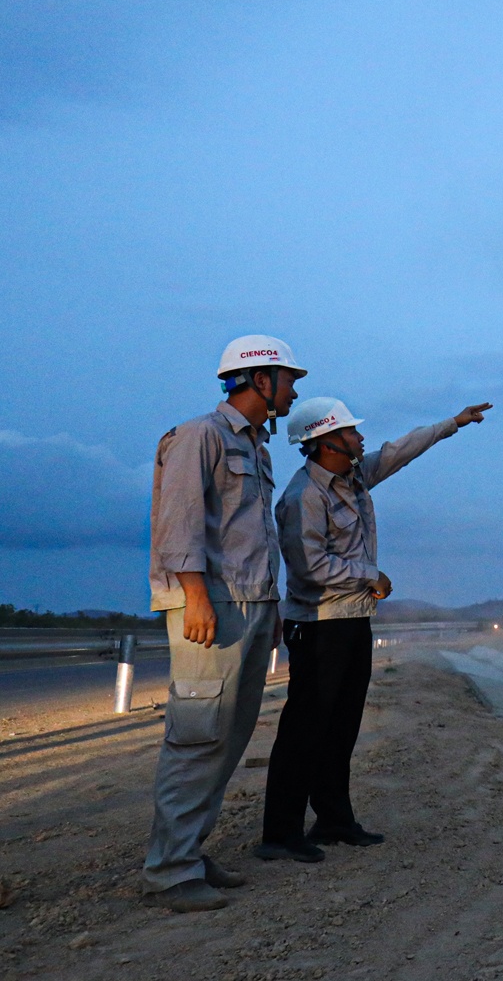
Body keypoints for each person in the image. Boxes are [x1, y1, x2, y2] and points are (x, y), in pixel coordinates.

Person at [257, 396, 492, 860]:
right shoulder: (303, 496)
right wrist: (369, 575)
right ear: (326, 443)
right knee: (305, 729)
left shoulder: (355, 476)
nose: (361, 438)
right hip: (319, 626)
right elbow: (307, 566)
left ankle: (334, 821)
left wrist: (453, 422)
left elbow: (399, 450)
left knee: (341, 726)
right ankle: (280, 834)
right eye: (350, 432)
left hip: (352, 622)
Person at [142, 335, 306, 912]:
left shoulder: (258, 448)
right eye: (289, 379)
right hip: (210, 607)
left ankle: (188, 850)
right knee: (197, 736)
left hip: (253, 607)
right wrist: (196, 598)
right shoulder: (199, 436)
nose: (293, 390)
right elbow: (178, 522)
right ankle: (170, 871)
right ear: (259, 379)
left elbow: (254, 540)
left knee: (228, 738)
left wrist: (274, 609)